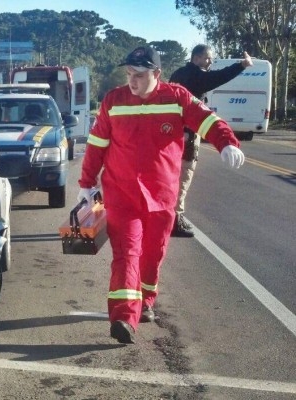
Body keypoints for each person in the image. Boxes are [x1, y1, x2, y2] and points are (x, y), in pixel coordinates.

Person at [77, 46, 245, 344]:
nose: (132, 81)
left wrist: (226, 142)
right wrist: (87, 182)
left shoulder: (177, 97)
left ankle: (147, 300)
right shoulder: (114, 101)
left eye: (139, 75)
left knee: (152, 256)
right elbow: (97, 143)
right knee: (127, 255)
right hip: (121, 195)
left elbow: (207, 119)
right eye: (129, 74)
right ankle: (124, 317)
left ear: (156, 74)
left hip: (161, 197)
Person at [168, 44, 253, 237]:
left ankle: (171, 216)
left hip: (174, 133)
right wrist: (241, 65)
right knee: (185, 173)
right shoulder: (195, 75)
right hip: (187, 133)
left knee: (173, 174)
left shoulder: (178, 73)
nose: (210, 62)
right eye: (208, 58)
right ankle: (174, 219)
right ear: (196, 58)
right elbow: (217, 78)